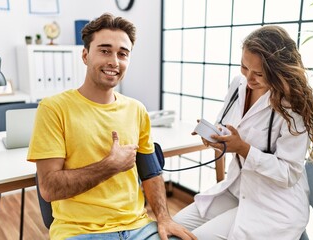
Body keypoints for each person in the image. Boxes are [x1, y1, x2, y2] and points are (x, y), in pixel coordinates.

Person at [27, 13, 196, 240]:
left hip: (139, 227)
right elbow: (48, 188)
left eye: (122, 54)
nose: (114, 61)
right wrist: (110, 165)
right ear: (85, 55)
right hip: (80, 232)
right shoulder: (53, 109)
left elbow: (151, 174)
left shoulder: (137, 110)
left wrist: (164, 218)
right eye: (105, 51)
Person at [173, 25, 313, 239]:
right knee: (176, 226)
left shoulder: (293, 107)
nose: (249, 78)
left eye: (259, 74)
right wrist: (217, 134)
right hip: (238, 188)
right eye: (244, 67)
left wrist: (243, 149)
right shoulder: (239, 84)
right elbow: (227, 122)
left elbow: (289, 173)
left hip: (274, 203)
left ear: (278, 71)